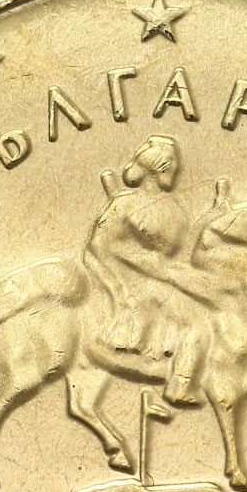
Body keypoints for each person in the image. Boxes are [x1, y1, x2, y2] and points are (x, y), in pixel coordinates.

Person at [84, 135, 209, 405]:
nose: (175, 172)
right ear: (159, 169)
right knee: (196, 324)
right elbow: (97, 248)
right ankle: (180, 387)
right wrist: (123, 287)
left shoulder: (175, 209)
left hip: (164, 277)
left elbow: (184, 252)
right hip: (132, 280)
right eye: (171, 167)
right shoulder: (123, 205)